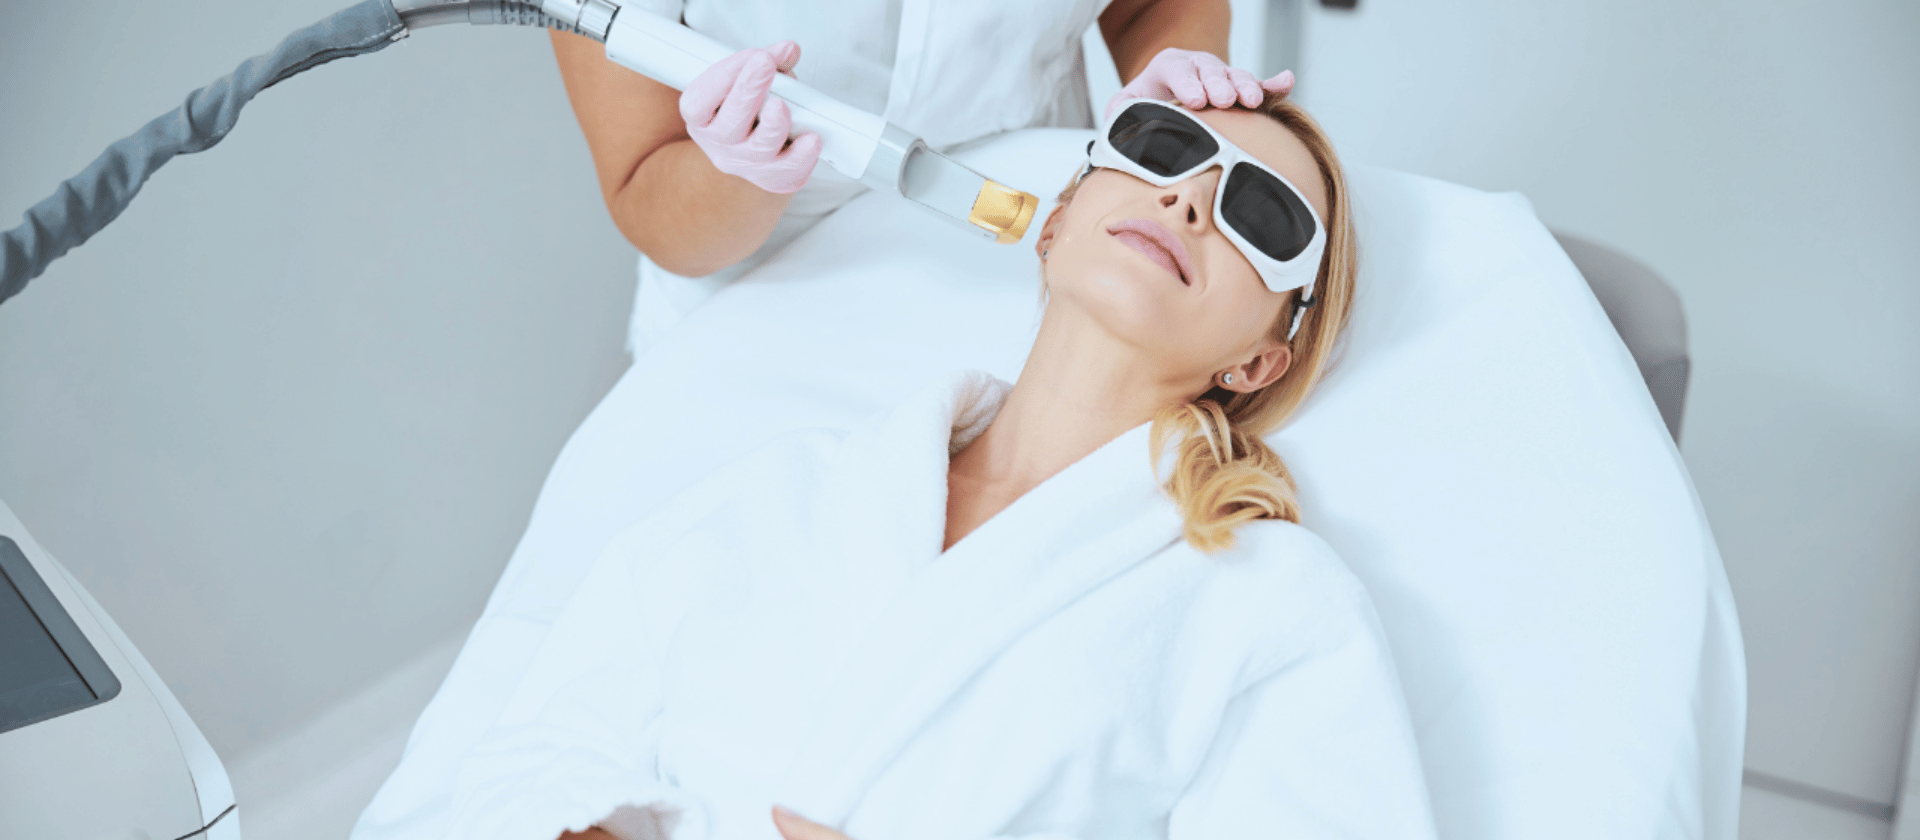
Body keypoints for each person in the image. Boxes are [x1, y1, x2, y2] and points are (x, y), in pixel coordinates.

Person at [437, 92, 1436, 840]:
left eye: (1260, 217)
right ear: (1055, 221)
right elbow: (543, 738)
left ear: (1263, 355)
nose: (1188, 198)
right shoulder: (792, 488)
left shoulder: (1272, 604)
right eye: (1163, 148)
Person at [548, 0, 1296, 356]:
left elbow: (1155, 4)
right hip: (752, 293)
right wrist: (741, 166)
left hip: (1025, 261)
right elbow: (644, 178)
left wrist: (1176, 114)